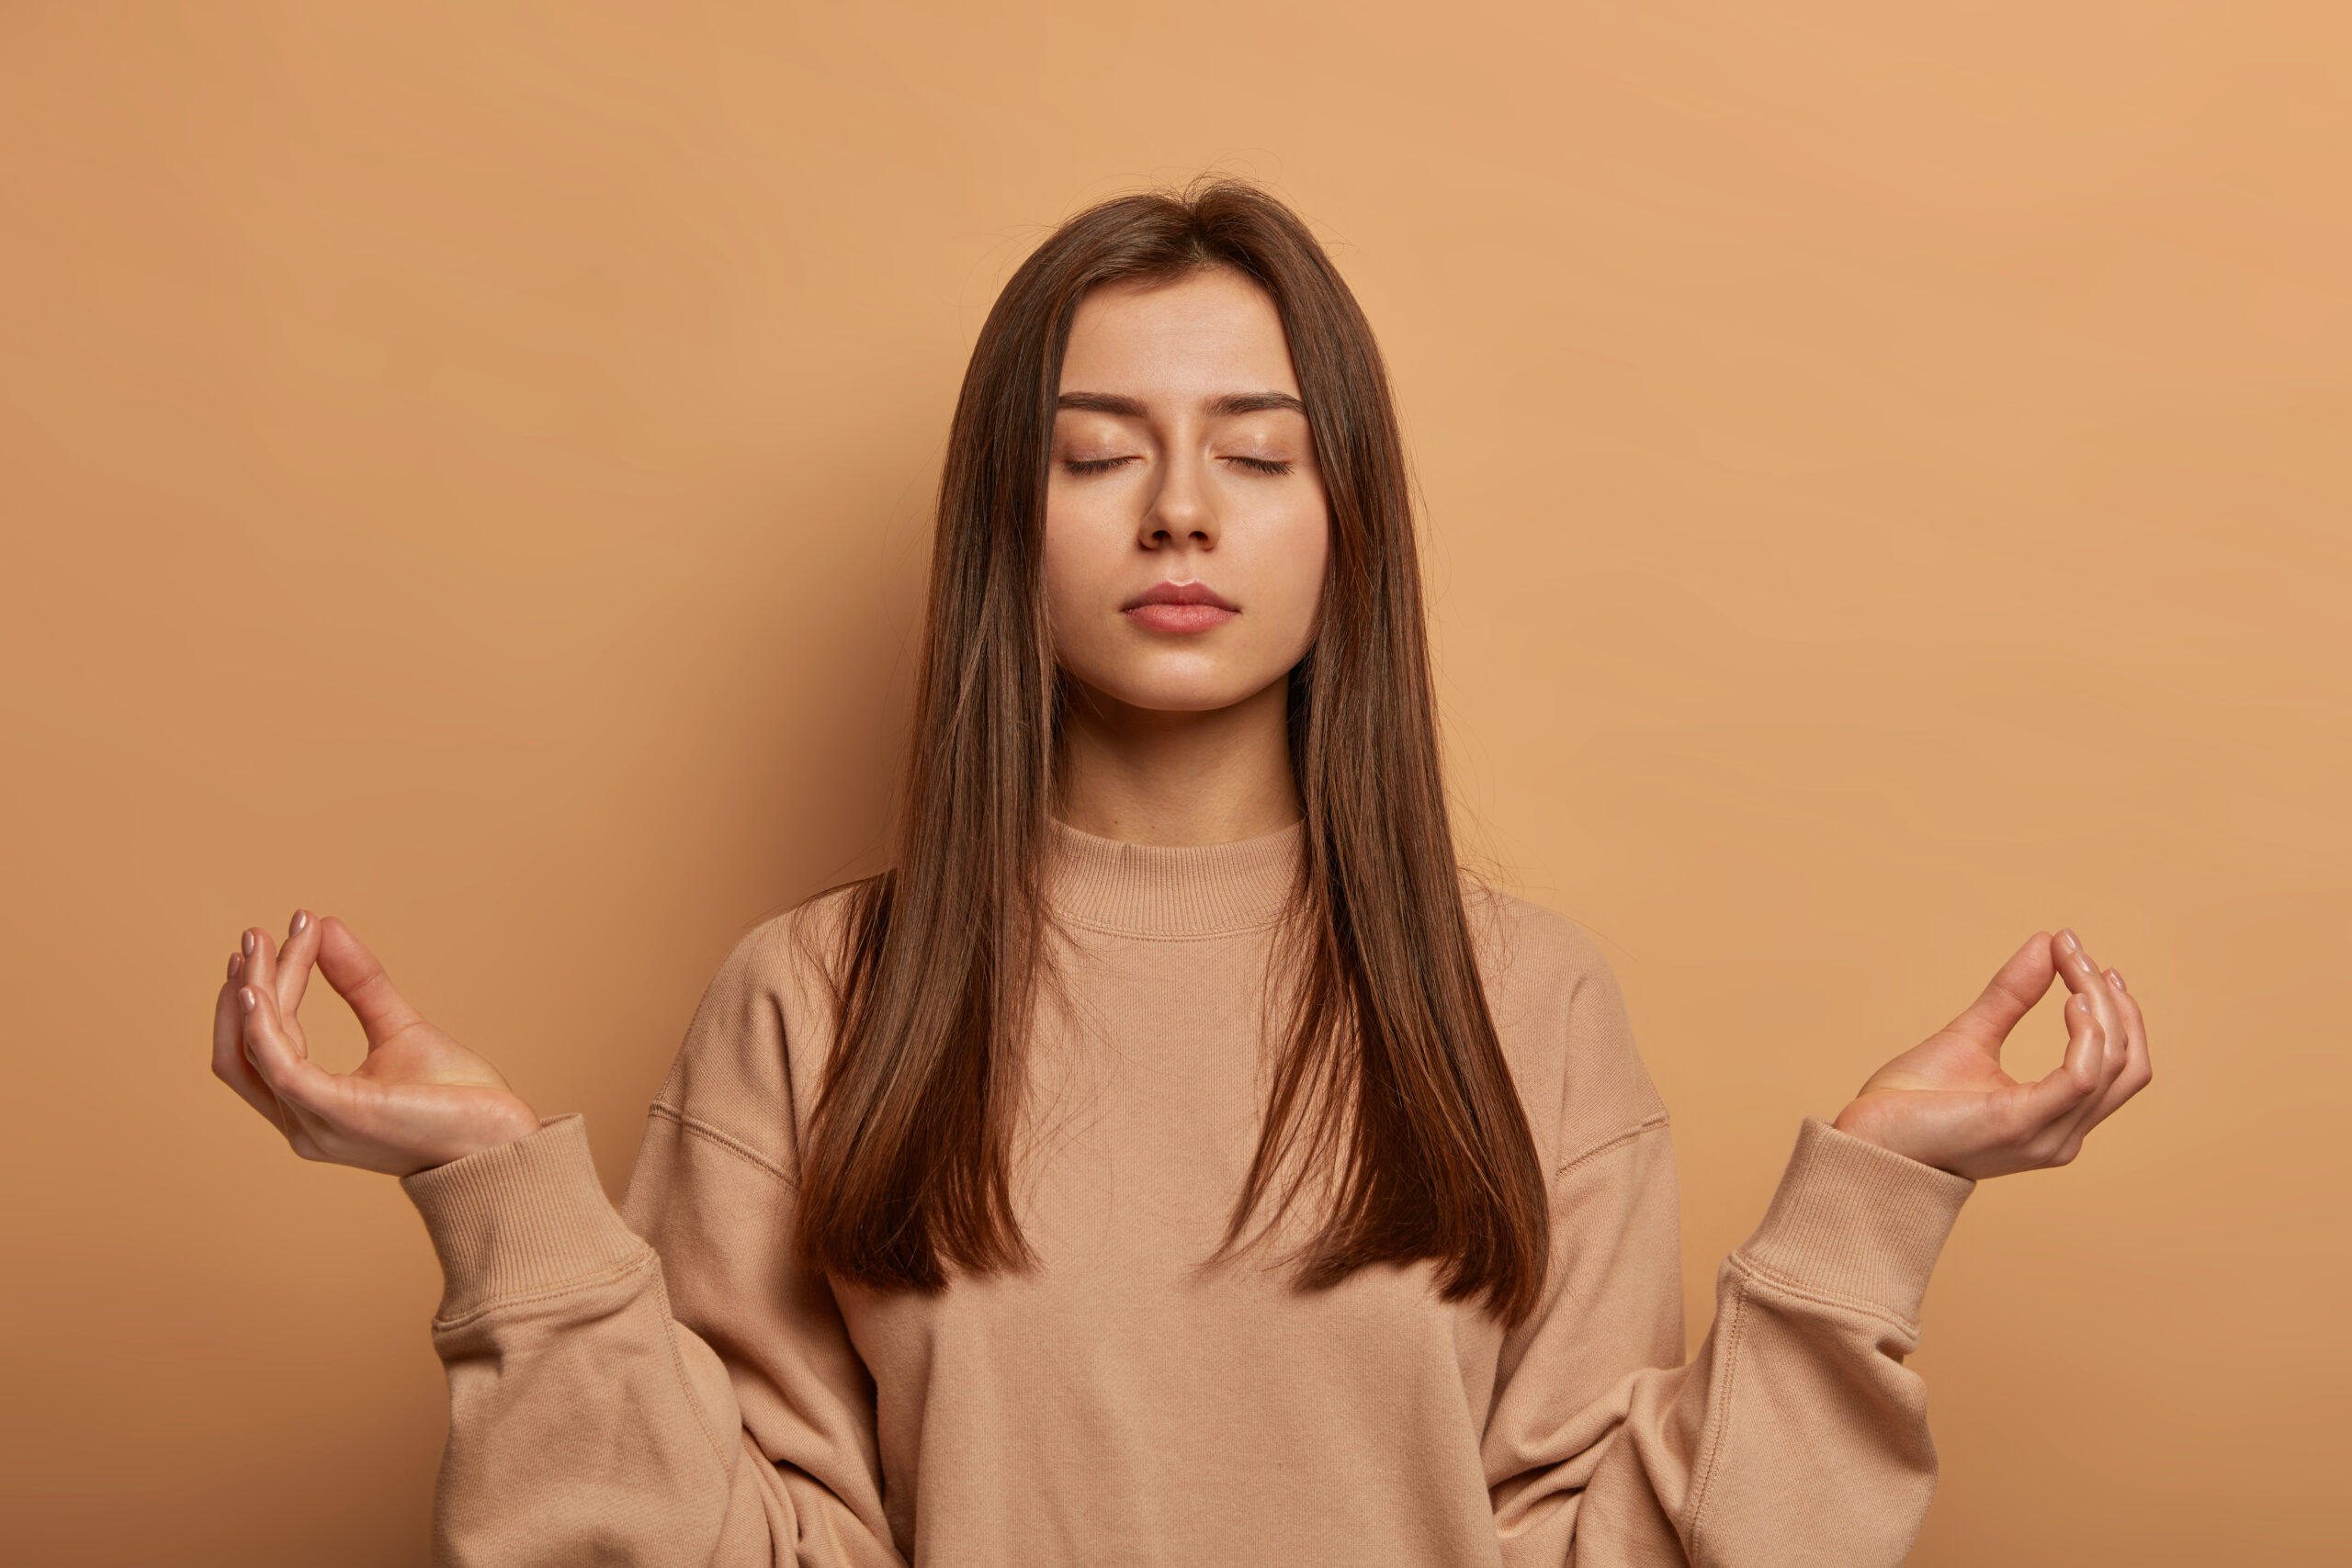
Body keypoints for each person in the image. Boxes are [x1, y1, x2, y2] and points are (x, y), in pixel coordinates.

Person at [209, 181, 2151, 1568]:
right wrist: (499, 1208)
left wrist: (1871, 1215)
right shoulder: (810, 995)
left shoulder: (1523, 997)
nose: (1177, 510)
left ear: (1343, 520)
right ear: (1005, 522)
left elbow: (1611, 1546)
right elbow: (720, 1545)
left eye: (1257, 448)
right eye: (1091, 451)